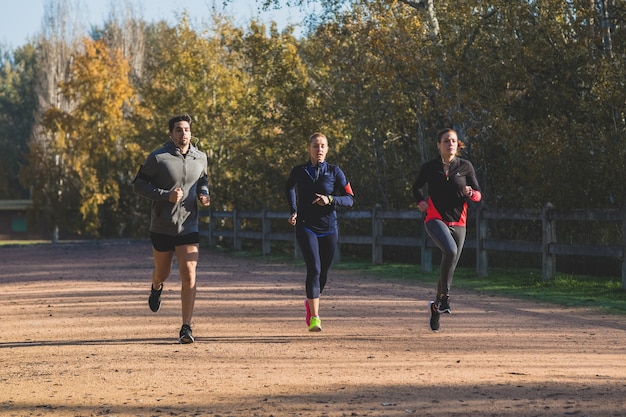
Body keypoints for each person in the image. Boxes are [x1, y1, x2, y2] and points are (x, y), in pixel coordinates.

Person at [133, 113, 210, 343]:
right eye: (178, 130)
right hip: (163, 225)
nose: (183, 133)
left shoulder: (201, 157)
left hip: (189, 224)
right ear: (171, 134)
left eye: (186, 129)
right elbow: (139, 185)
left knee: (190, 274)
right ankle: (156, 286)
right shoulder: (158, 158)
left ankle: (186, 327)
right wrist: (166, 196)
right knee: (163, 272)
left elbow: (202, 179)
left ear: (191, 132)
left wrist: (204, 194)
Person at [412, 128, 482, 332]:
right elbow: (416, 187)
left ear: (457, 144)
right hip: (434, 218)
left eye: (453, 141)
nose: (450, 144)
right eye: (446, 141)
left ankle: (436, 307)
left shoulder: (465, 166)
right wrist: (420, 201)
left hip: (459, 223)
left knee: (449, 267)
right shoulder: (430, 167)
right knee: (450, 251)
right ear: (438, 145)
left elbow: (478, 194)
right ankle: (445, 298)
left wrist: (471, 193)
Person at [285, 132, 354, 332]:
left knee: (323, 272)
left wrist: (330, 199)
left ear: (327, 149)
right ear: (309, 149)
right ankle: (315, 317)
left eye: (323, 146)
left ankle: (310, 300)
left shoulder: (335, 172)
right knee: (314, 269)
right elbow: (289, 187)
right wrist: (293, 209)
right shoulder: (299, 171)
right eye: (315, 146)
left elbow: (350, 199)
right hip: (306, 226)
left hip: (329, 228)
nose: (319, 149)